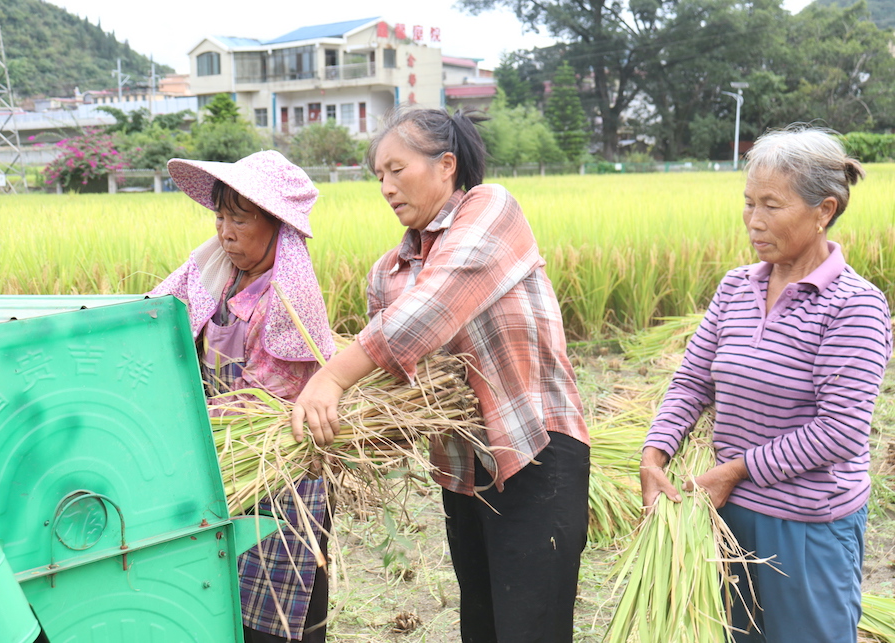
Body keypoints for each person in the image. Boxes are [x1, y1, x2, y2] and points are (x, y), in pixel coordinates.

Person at [289, 108, 591, 643]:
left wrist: (332, 379)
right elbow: (401, 385)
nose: (384, 186)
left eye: (396, 169)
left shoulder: (492, 209)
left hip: (536, 451)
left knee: (532, 628)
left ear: (446, 164)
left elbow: (428, 312)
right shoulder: (387, 273)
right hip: (462, 472)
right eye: (377, 175)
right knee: (482, 626)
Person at [640, 126, 893, 643]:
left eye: (772, 206)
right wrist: (655, 453)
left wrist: (734, 470)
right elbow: (692, 382)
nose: (754, 221)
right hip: (728, 514)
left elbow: (839, 431)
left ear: (824, 210)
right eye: (748, 203)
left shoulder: (855, 306)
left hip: (805, 524)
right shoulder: (736, 286)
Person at [150, 150, 336, 643]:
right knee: (219, 605)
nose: (224, 232)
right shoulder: (218, 274)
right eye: (220, 215)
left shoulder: (289, 304)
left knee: (276, 620)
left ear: (276, 226)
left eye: (240, 218)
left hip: (277, 471)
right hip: (217, 458)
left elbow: (258, 403)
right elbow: (154, 319)